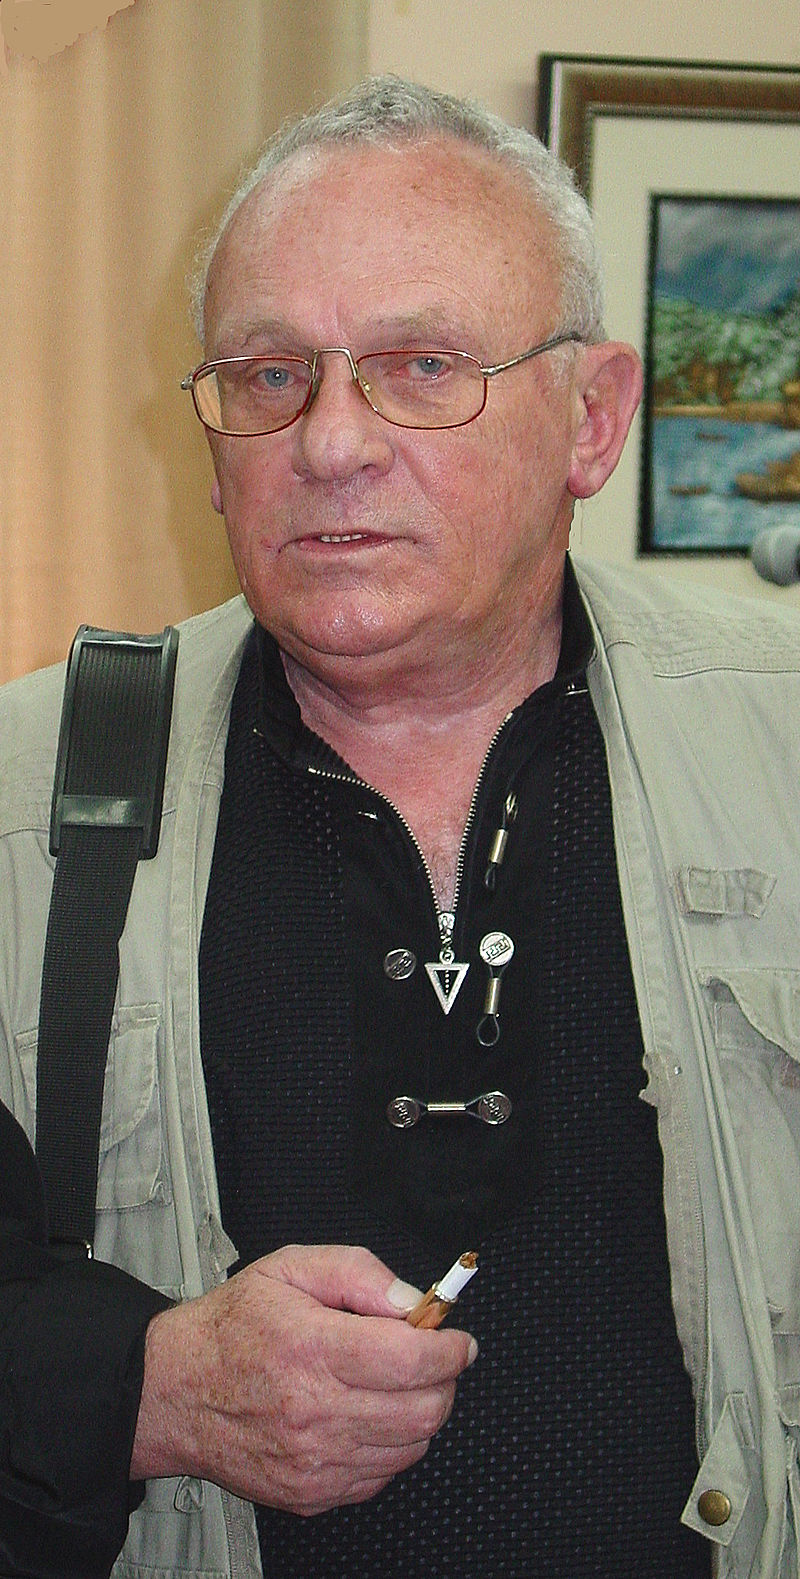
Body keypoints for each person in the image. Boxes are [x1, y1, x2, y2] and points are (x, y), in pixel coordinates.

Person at [1, 74, 800, 1579]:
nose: (330, 444)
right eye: (271, 376)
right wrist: (144, 1386)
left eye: (422, 367)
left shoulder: (780, 751)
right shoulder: (23, 799)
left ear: (593, 418)